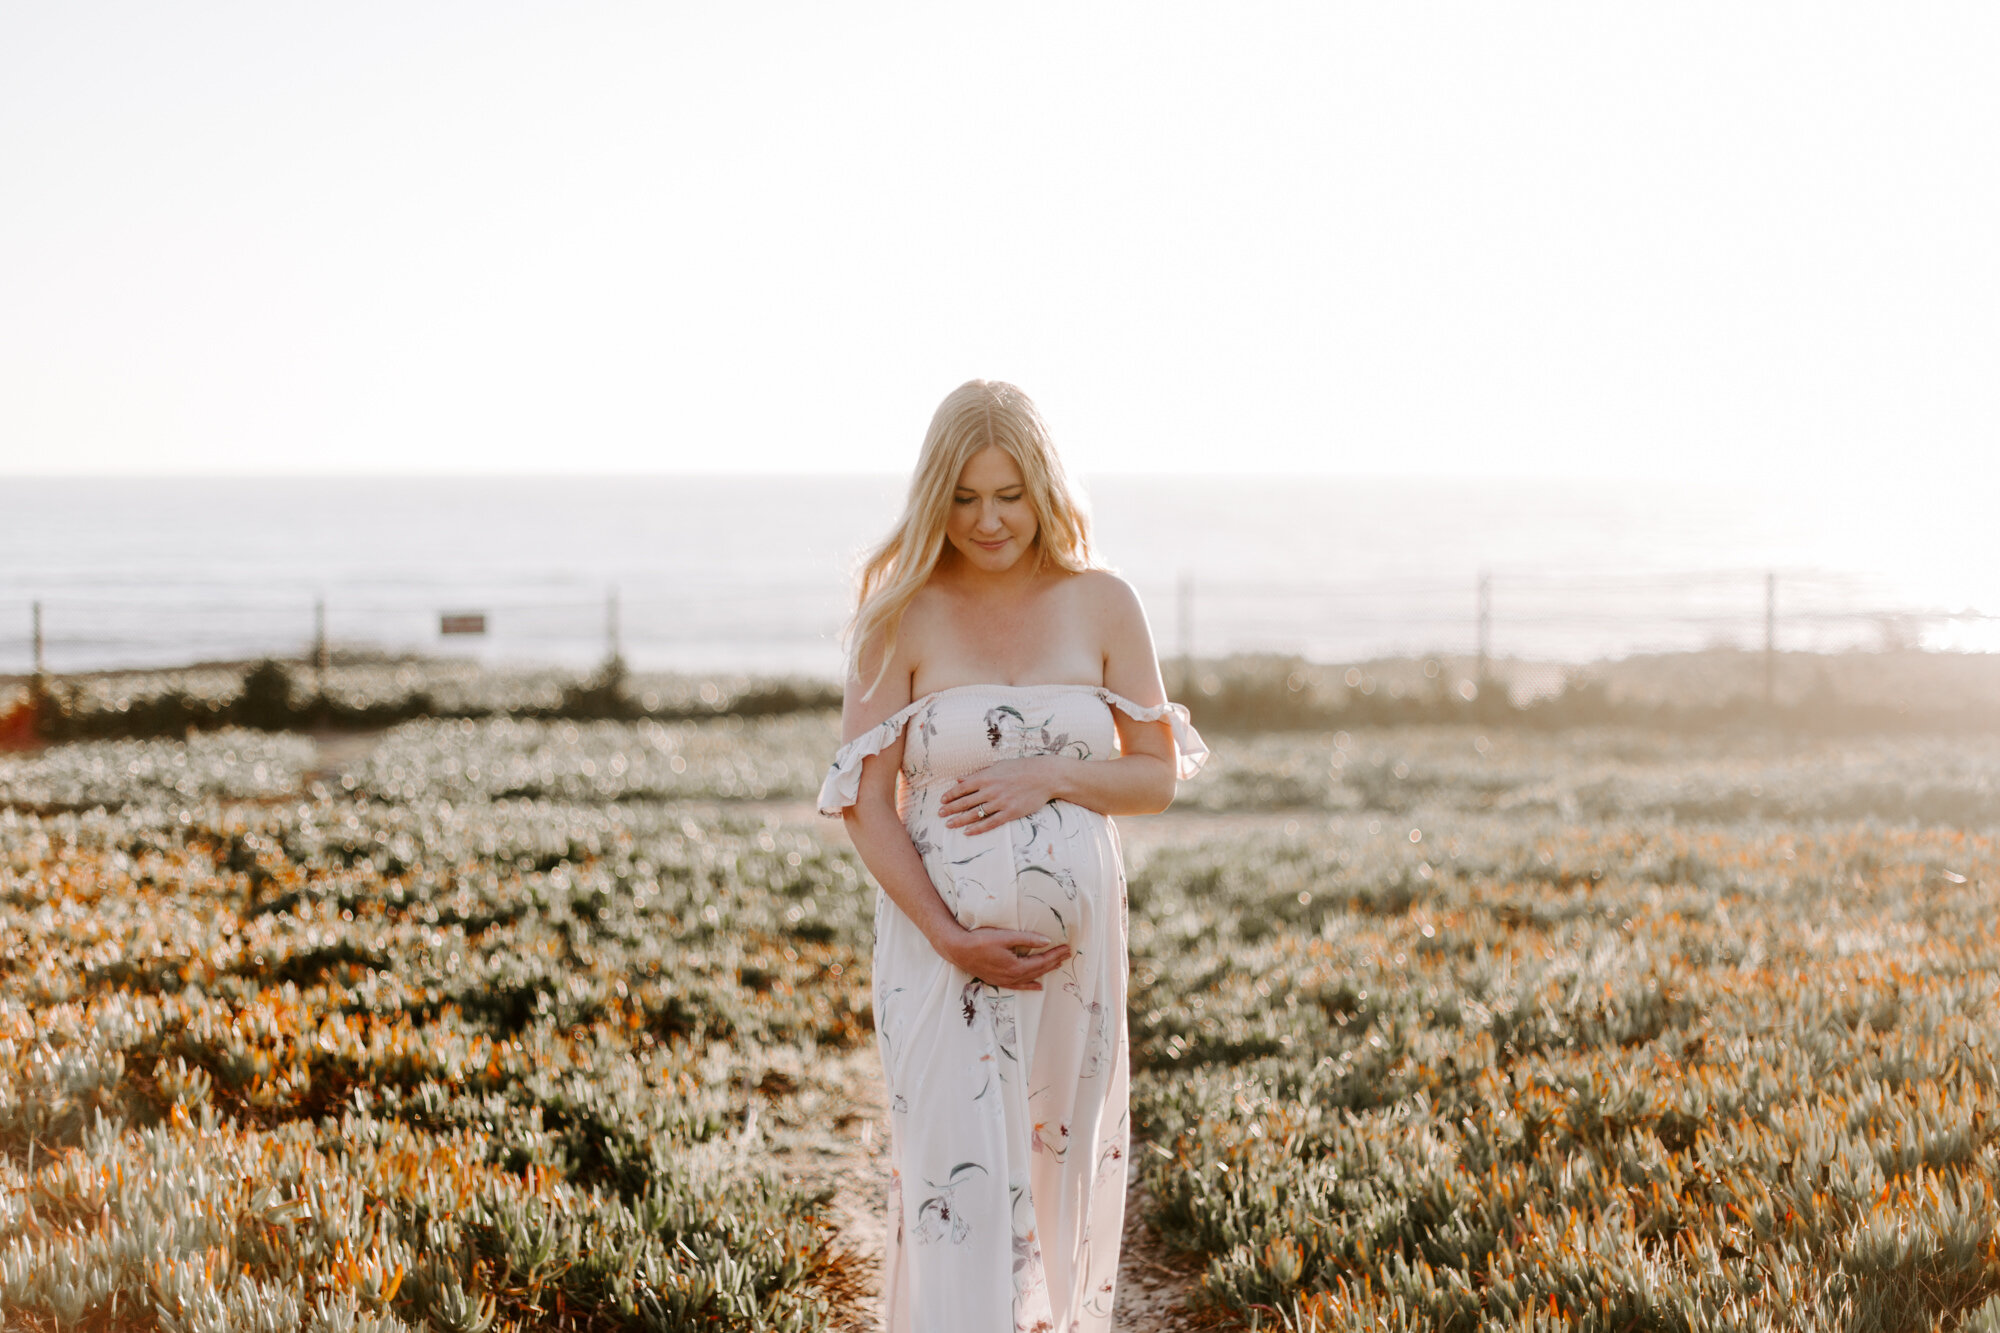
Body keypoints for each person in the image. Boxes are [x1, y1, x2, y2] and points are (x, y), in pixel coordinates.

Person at [818, 380, 1207, 1333]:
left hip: (1071, 974)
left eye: (1009, 494)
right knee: (961, 1198)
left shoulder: (1103, 603)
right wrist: (952, 936)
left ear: (1044, 488)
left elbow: (1154, 776)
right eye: (963, 497)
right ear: (932, 498)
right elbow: (866, 805)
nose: (988, 520)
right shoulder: (899, 615)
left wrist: (1048, 775)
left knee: (1054, 1176)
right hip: (937, 959)